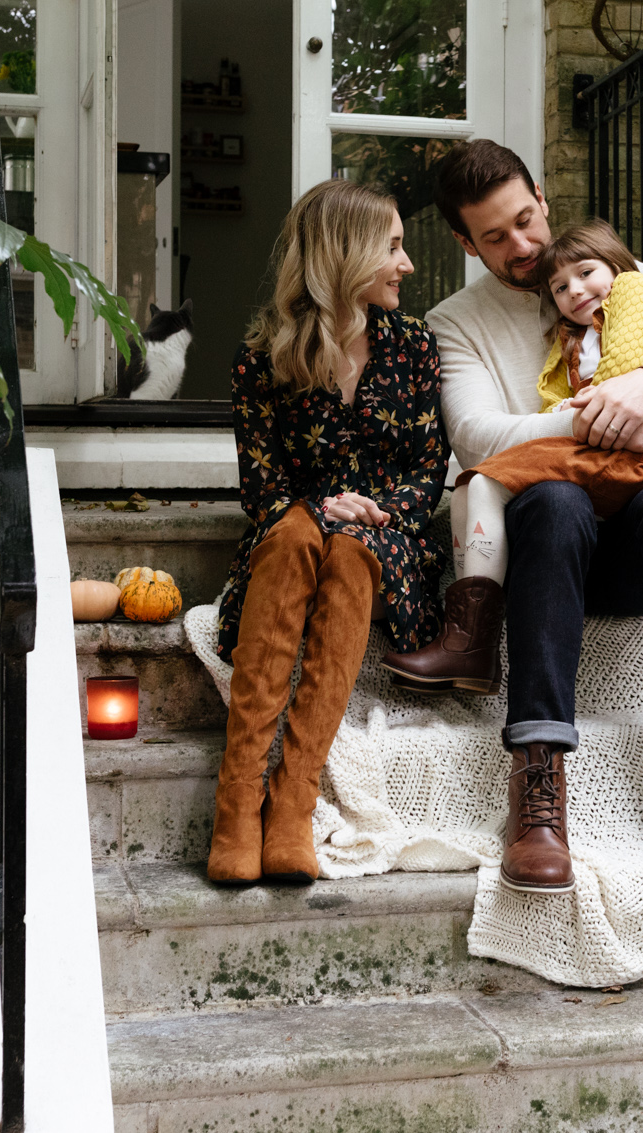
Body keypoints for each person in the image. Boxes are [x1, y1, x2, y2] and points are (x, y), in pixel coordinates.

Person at [416, 140, 643, 895]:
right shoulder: (455, 322)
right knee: (555, 498)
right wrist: (607, 414)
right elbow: (477, 435)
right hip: (540, 551)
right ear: (466, 243)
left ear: (540, 194)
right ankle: (537, 790)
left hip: (636, 552)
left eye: (527, 220)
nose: (524, 247)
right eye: (495, 237)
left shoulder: (631, 282)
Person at [208, 178, 449, 886]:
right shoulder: (263, 359)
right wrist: (322, 506)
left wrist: (369, 510)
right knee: (293, 535)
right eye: (394, 247)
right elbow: (261, 486)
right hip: (293, 534)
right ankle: (238, 801)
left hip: (388, 541)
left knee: (348, 551)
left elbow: (428, 467)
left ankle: (292, 802)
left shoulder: (413, 346)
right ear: (346, 254)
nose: (406, 264)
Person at [383, 218, 643, 692]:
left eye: (587, 273)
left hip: (636, 458)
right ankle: (469, 635)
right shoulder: (578, 332)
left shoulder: (634, 290)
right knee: (476, 484)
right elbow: (556, 398)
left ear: (615, 267)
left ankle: (470, 642)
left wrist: (591, 410)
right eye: (560, 288)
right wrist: (572, 412)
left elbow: (621, 373)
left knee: (483, 480)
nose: (574, 291)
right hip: (607, 449)